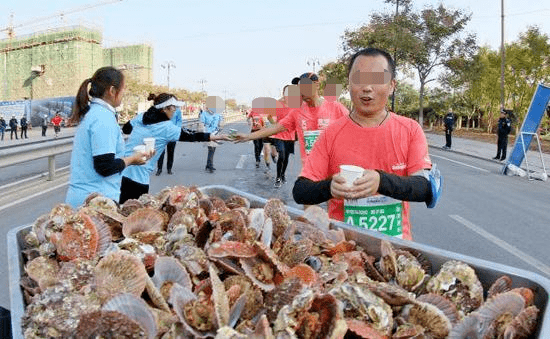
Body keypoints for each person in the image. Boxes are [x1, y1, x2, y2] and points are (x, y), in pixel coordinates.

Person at [292, 47, 441, 241]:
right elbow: (300, 191)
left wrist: (381, 181)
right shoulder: (331, 133)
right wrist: (329, 187)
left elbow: (425, 187)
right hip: (343, 250)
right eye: (359, 79)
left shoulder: (410, 130)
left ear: (392, 85)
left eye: (377, 79)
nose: (367, 88)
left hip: (396, 248)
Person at [65, 66, 152, 208]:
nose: (123, 93)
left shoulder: (95, 113)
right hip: (94, 203)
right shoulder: (103, 118)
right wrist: (132, 160)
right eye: (123, 89)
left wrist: (134, 158)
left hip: (88, 199)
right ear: (112, 91)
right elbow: (104, 166)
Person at [120, 93, 229, 203]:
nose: (176, 110)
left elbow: (125, 129)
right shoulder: (167, 127)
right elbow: (192, 136)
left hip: (121, 169)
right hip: (138, 179)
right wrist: (218, 136)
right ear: (164, 109)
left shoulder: (142, 116)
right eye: (174, 107)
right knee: (134, 214)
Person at [235, 72, 349, 167]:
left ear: (317, 85)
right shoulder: (297, 111)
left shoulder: (336, 108)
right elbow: (275, 128)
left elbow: (356, 131)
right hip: (310, 171)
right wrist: (248, 136)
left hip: (335, 170)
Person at [271, 85, 300, 187]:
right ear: (283, 93)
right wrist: (274, 125)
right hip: (279, 134)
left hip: (290, 135)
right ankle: (278, 178)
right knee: (282, 155)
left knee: (286, 157)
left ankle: (283, 174)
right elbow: (270, 116)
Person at [156, 99, 183, 176]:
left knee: (171, 152)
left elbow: (179, 121)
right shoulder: (162, 109)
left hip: (172, 134)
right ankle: (159, 169)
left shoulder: (177, 110)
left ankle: (169, 169)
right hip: (162, 134)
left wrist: (176, 130)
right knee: (161, 152)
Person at [200, 96, 223, 173]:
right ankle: (211, 166)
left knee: (213, 150)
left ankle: (208, 164)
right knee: (211, 149)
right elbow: (201, 124)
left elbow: (221, 123)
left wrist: (221, 125)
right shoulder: (204, 114)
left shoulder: (218, 114)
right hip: (208, 134)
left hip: (216, 133)